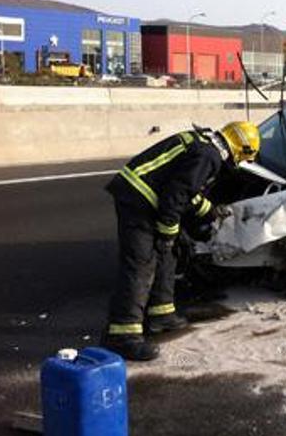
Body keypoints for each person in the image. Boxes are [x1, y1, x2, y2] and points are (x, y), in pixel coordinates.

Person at [101, 121, 261, 361]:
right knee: (141, 264)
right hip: (137, 199)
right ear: (242, 151)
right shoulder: (210, 156)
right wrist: (167, 232)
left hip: (145, 193)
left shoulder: (205, 143)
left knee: (171, 251)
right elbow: (176, 197)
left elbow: (186, 190)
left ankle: (161, 314)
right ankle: (122, 335)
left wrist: (210, 211)